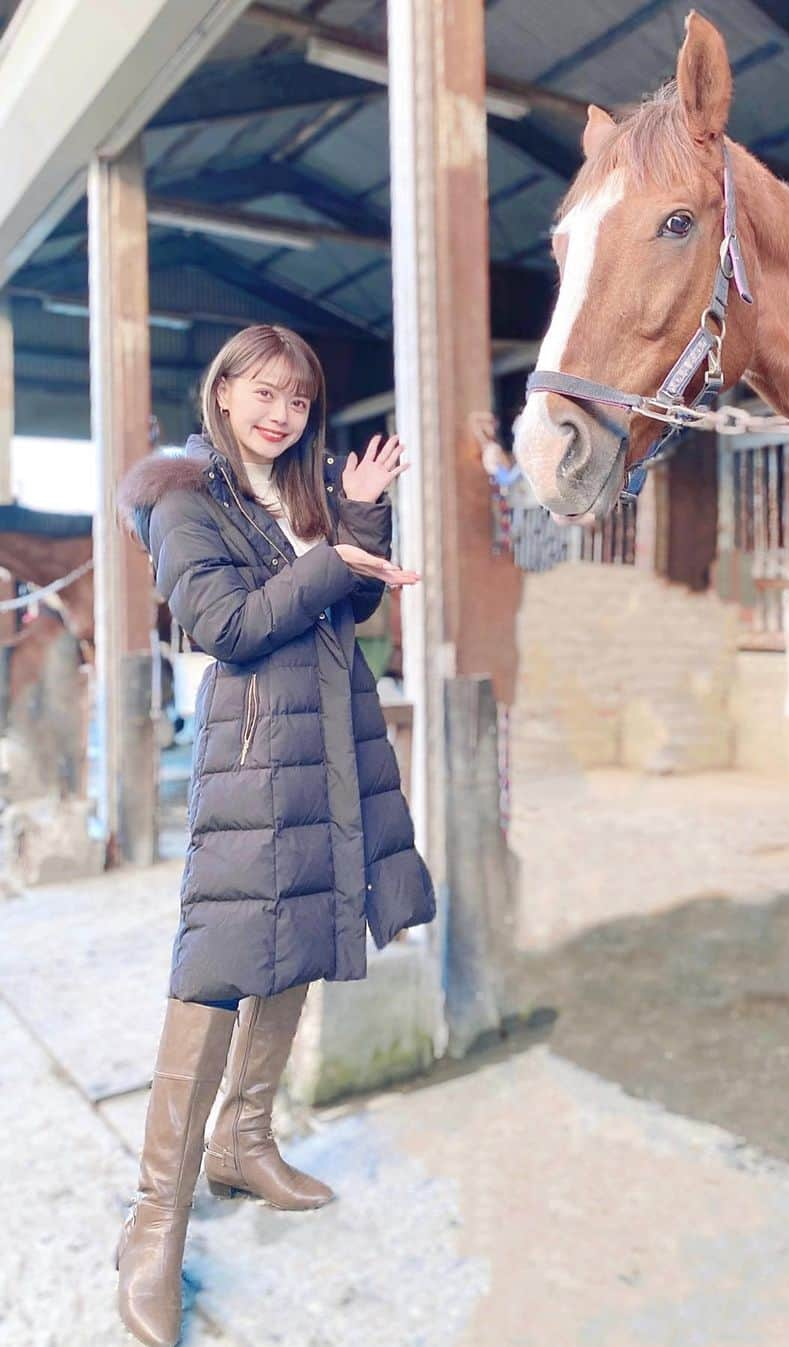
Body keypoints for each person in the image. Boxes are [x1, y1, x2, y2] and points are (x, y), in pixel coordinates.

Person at [114, 323, 436, 1347]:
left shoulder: (292, 502)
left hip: (330, 745)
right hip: (254, 756)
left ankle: (245, 1143)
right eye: (262, 390)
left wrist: (358, 518)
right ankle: (155, 1223)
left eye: (296, 398)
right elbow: (232, 627)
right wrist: (336, 556)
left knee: (296, 943)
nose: (279, 411)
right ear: (222, 394)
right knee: (217, 967)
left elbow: (343, 610)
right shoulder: (182, 501)